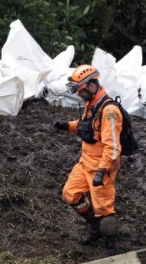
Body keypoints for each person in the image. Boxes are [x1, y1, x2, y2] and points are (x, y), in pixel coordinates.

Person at [53, 65, 123, 252]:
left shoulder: (109, 111)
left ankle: (110, 246)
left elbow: (113, 145)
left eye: (80, 90)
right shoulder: (92, 104)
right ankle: (95, 226)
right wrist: (67, 126)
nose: (78, 94)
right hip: (86, 162)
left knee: (104, 208)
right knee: (70, 193)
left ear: (91, 86)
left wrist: (102, 171)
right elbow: (88, 126)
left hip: (102, 165)